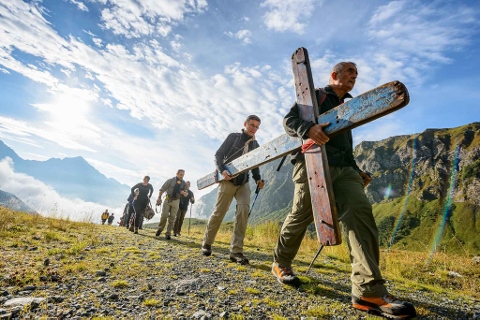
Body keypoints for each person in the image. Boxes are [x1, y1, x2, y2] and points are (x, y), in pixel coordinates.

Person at [271, 62, 416, 319]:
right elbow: (289, 120)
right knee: (301, 214)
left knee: (360, 214)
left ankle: (368, 290)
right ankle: (281, 263)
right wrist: (307, 129)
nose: (354, 77)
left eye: (357, 74)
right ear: (334, 75)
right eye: (350, 72)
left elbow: (344, 146)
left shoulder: (350, 107)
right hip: (311, 162)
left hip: (344, 168)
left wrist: (357, 170)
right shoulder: (316, 96)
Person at [201, 115, 265, 265]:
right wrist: (222, 170)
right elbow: (218, 155)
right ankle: (207, 243)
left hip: (244, 182)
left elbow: (255, 165)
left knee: (243, 212)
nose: (253, 128)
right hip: (227, 180)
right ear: (245, 124)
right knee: (219, 212)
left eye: (256, 126)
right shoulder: (233, 137)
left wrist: (258, 179)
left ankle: (236, 252)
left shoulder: (256, 145)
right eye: (251, 125)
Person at [155, 169, 188, 239]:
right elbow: (162, 189)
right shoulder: (170, 180)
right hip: (167, 200)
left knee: (172, 218)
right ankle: (160, 229)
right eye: (180, 174)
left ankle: (168, 233)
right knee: (164, 215)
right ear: (177, 173)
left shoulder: (184, 183)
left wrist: (184, 193)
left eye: (183, 175)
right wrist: (159, 197)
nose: (182, 176)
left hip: (176, 201)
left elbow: (186, 194)